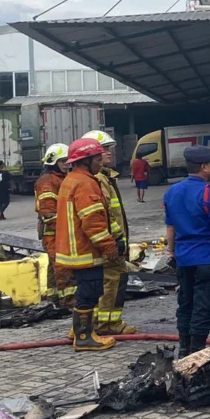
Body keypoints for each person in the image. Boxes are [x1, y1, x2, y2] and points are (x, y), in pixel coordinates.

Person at [164, 146, 210, 357]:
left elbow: (170, 228)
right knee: (205, 305)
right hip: (207, 259)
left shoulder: (172, 192)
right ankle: (197, 350)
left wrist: (172, 253)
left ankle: (184, 349)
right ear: (204, 167)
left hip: (184, 259)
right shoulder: (209, 193)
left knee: (186, 303)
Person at [55, 138, 122, 352]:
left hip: (74, 250)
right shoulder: (85, 183)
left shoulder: (72, 179)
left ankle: (78, 330)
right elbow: (93, 222)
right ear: (86, 160)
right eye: (97, 158)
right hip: (85, 252)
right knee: (90, 292)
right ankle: (84, 337)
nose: (101, 162)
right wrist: (109, 247)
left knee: (85, 291)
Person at [81, 130, 136, 335]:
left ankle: (109, 322)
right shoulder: (99, 179)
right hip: (110, 243)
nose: (109, 153)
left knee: (115, 282)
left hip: (113, 239)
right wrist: (115, 240)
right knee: (111, 282)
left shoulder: (105, 176)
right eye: (104, 149)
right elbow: (104, 214)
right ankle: (107, 325)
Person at [35, 144, 74, 309]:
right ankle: (68, 299)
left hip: (59, 231)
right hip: (53, 232)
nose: (66, 164)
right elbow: (48, 212)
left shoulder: (61, 178)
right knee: (62, 264)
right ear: (53, 162)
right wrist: (66, 227)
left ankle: (54, 297)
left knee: (54, 265)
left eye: (67, 160)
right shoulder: (47, 181)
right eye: (62, 161)